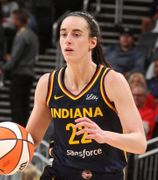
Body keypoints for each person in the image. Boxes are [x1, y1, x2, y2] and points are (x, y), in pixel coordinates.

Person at [25, 11, 147, 179]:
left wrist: (104, 136)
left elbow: (140, 143)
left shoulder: (112, 81)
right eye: (63, 34)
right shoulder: (48, 83)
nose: (68, 39)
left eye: (76, 34)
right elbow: (29, 141)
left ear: (92, 42)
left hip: (104, 174)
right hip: (61, 173)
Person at [0, 9, 39, 126]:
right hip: (29, 73)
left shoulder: (22, 35)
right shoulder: (33, 35)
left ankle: (18, 133)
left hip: (20, 74)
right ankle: (24, 132)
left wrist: (1, 70)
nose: (11, 21)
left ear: (17, 21)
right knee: (24, 106)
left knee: (17, 106)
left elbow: (16, 58)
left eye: (12, 19)